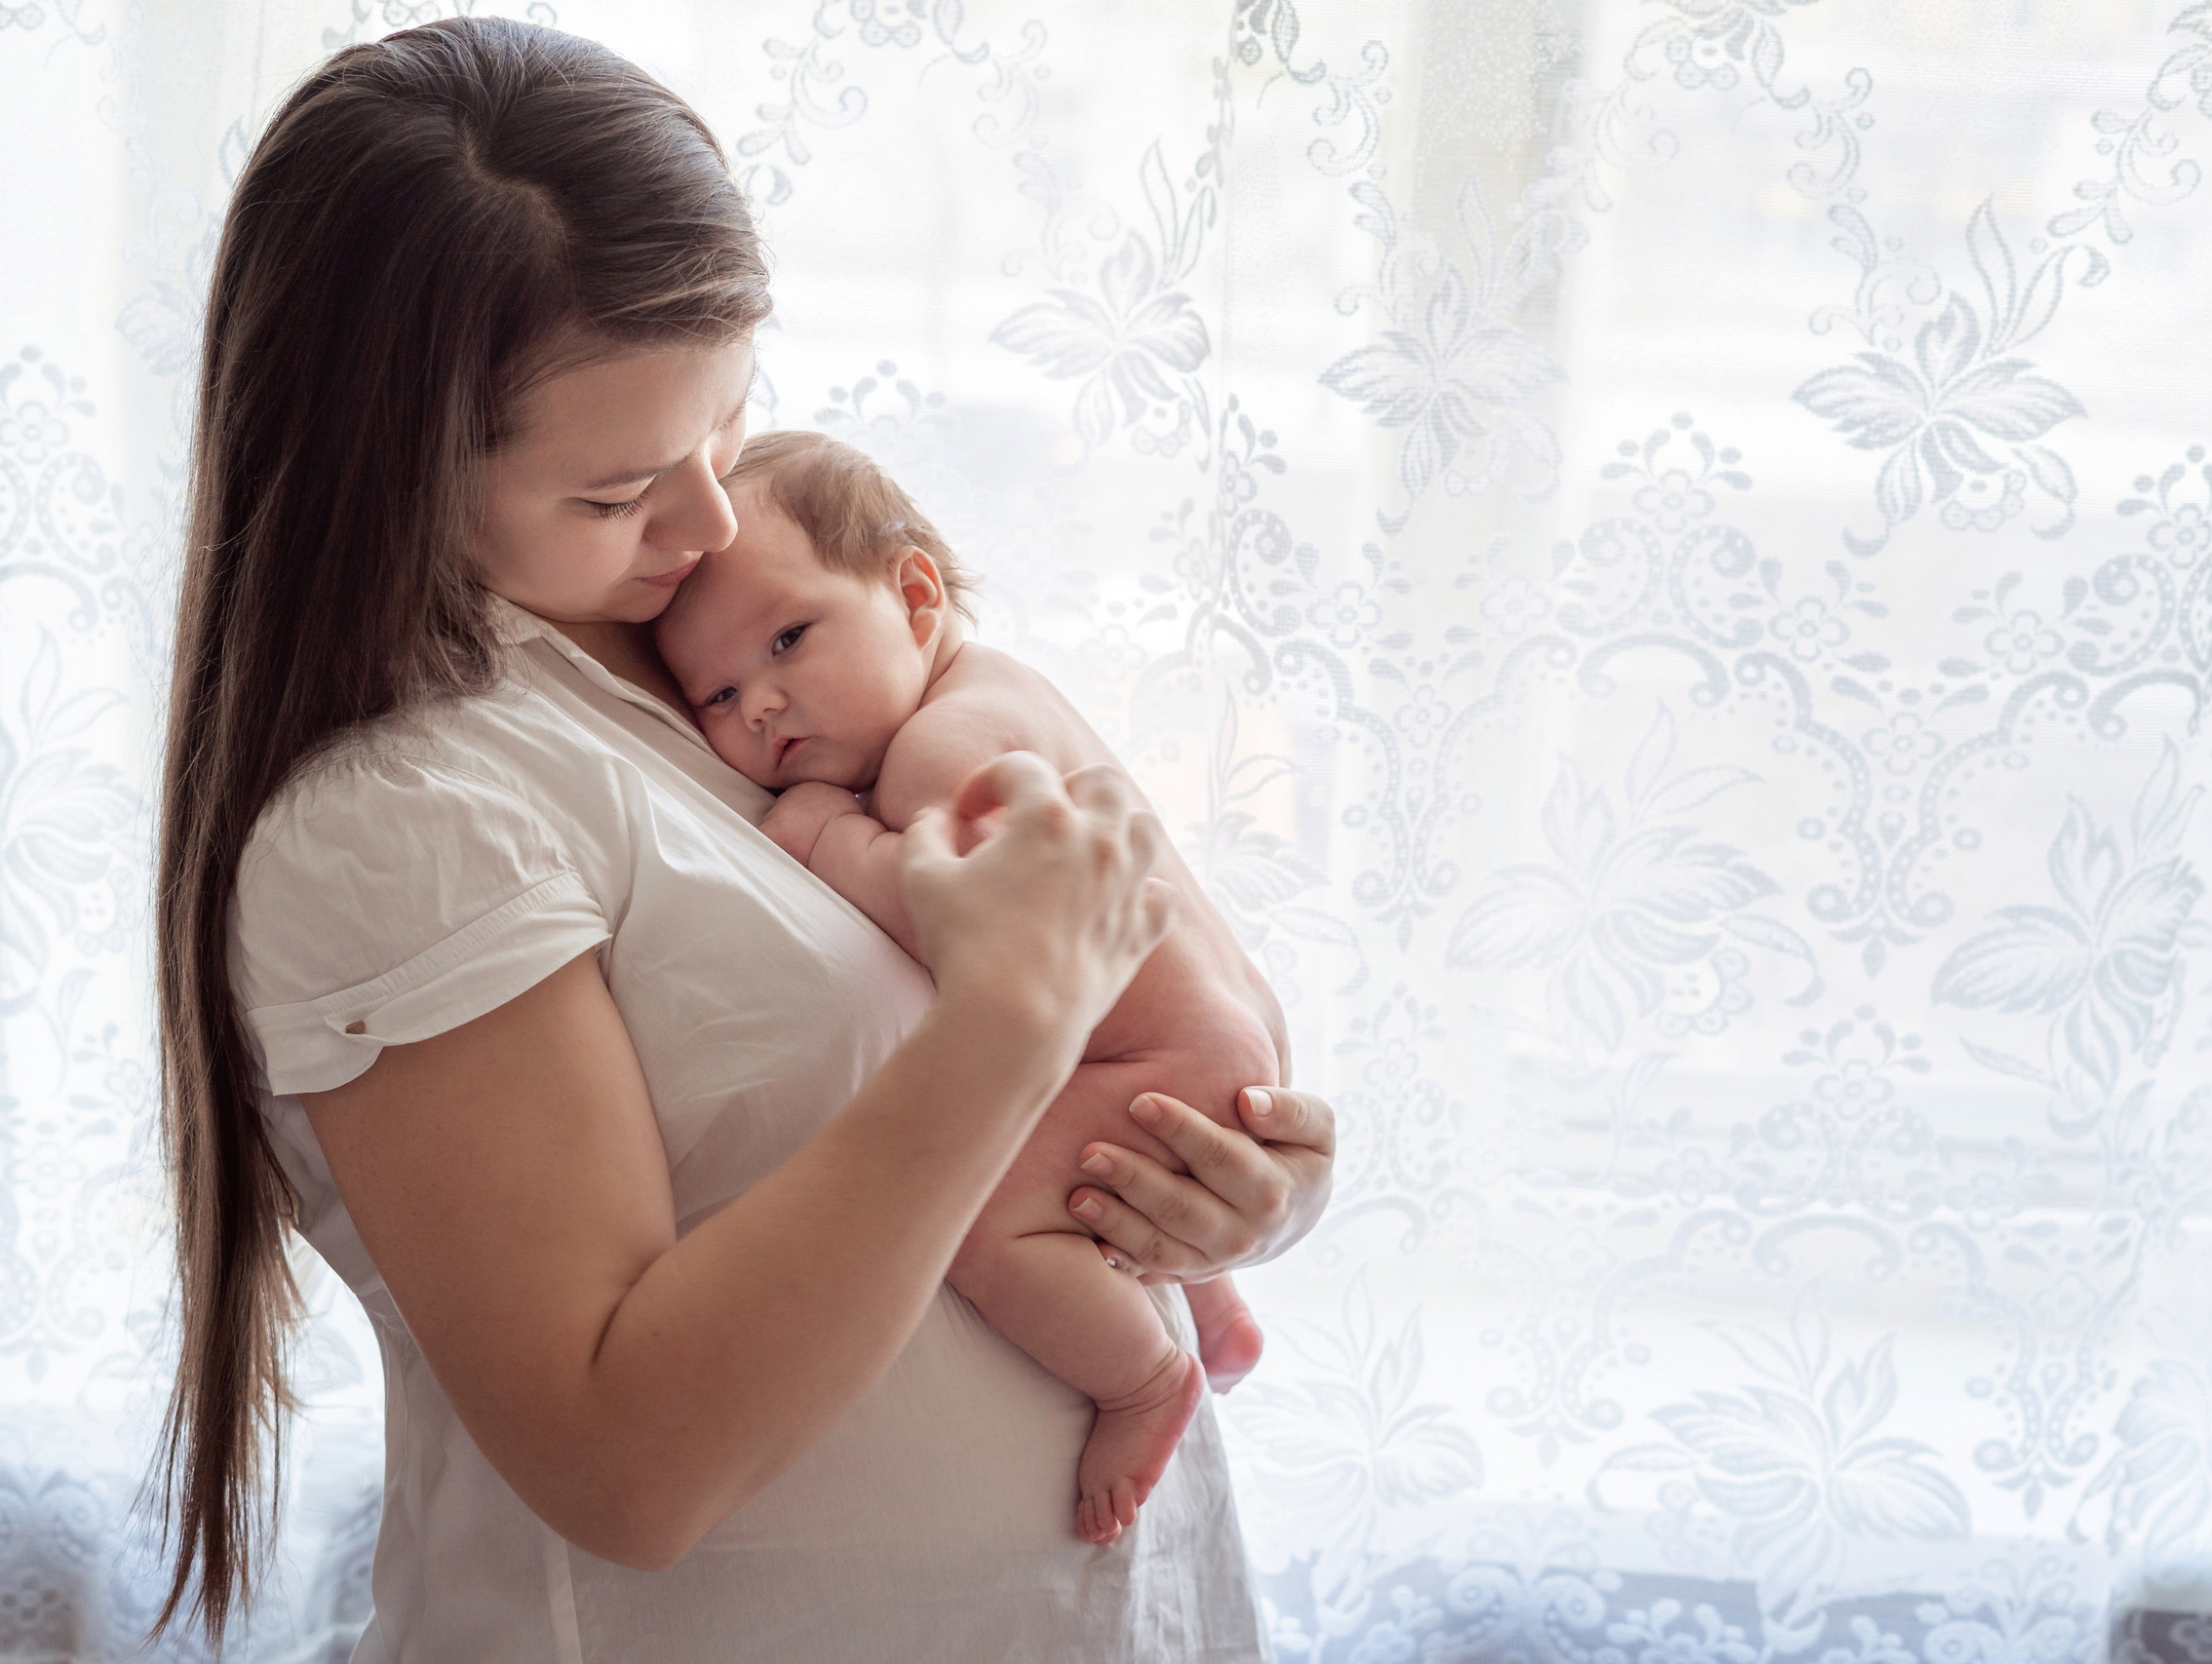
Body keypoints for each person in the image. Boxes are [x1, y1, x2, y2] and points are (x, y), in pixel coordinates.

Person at [149, 18, 1336, 1664]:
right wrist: (1008, 1025)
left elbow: (1149, 954)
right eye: (623, 488)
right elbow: (625, 1467)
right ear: (398, 472)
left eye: (727, 428)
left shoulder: (737, 658)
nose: (710, 523)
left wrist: (1239, 1180)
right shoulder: (406, 822)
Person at [653, 431, 1281, 1547]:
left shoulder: (938, 754)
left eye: (790, 638)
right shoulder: (1004, 689)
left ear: (912, 592)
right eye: (714, 694)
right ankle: (1217, 1306)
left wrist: (831, 840)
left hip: (1156, 1061)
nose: (759, 704)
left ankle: (1144, 1378)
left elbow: (979, 937)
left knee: (985, 1220)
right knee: (1071, 1157)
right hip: (1221, 1032)